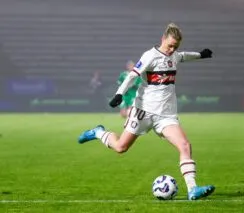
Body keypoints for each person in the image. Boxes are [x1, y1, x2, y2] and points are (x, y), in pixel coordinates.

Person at [78, 23, 215, 200]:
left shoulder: (174, 55)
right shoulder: (150, 56)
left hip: (166, 116)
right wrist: (119, 94)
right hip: (143, 112)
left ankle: (192, 189)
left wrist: (201, 55)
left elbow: (183, 56)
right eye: (170, 45)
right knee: (121, 147)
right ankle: (98, 132)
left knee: (185, 145)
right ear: (162, 39)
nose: (172, 49)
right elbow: (133, 75)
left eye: (175, 46)